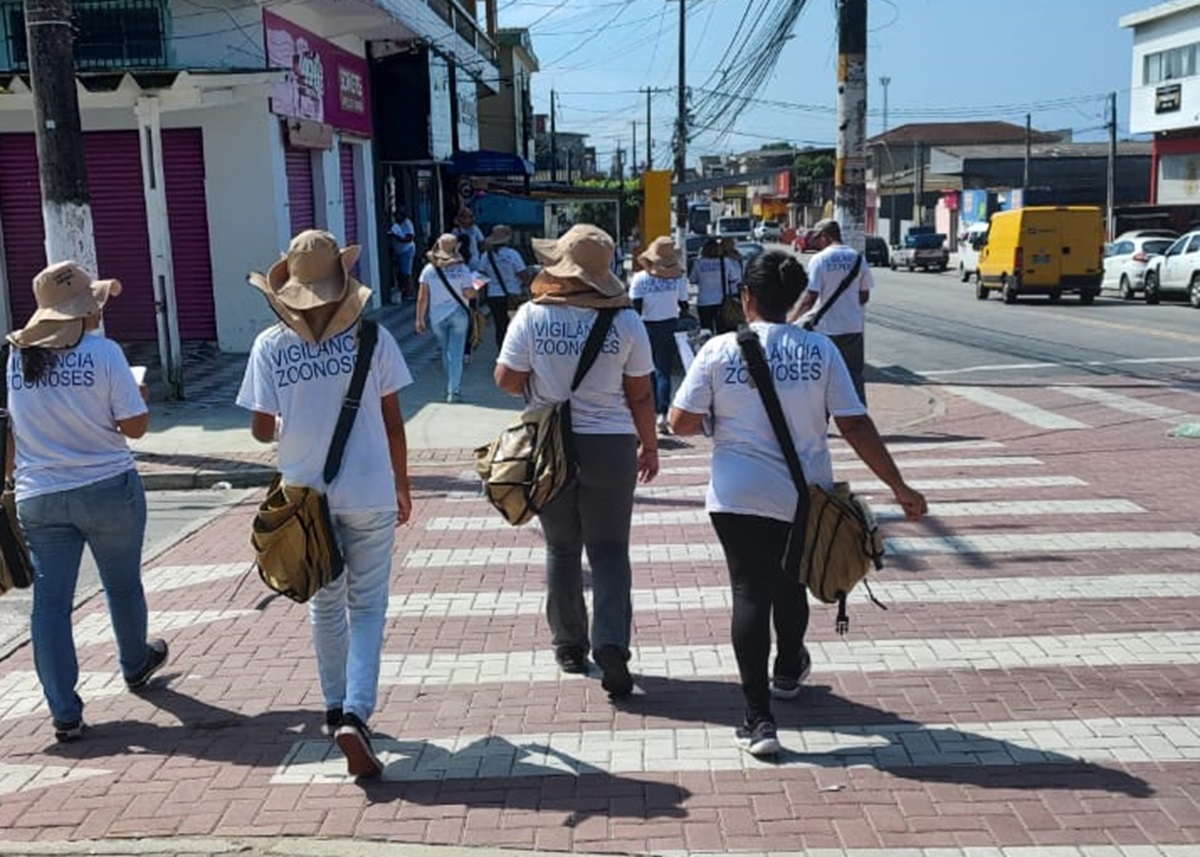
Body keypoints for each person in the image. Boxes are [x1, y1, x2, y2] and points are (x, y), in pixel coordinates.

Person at [668, 250, 926, 758]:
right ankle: (788, 668)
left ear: (746, 299)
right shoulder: (821, 350)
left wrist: (717, 419)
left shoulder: (718, 350)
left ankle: (759, 720)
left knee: (749, 592)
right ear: (794, 300)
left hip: (737, 492)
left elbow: (679, 422)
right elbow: (854, 424)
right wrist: (900, 487)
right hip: (804, 492)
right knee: (793, 579)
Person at [238, 230, 413, 779]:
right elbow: (392, 424)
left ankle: (336, 706)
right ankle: (357, 713)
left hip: (303, 498)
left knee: (325, 605)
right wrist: (403, 484)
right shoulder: (373, 337)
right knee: (367, 609)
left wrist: (297, 414)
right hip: (369, 491)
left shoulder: (270, 345)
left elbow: (261, 429)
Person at [493, 224, 658, 699]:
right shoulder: (627, 322)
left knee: (561, 547)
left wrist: (539, 383)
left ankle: (569, 644)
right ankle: (611, 641)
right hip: (610, 444)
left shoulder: (531, 315)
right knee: (609, 550)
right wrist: (648, 446)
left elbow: (505, 379)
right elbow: (642, 393)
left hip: (551, 447)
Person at [5, 261, 166, 743]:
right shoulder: (105, 354)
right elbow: (134, 428)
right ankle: (135, 663)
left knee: (50, 606)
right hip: (107, 488)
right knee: (122, 585)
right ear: (80, 312)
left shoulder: (15, 358)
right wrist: (138, 395)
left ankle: (64, 712)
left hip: (40, 496)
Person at [788, 217, 873, 405]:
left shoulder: (820, 260)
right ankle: (858, 414)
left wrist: (791, 321)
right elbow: (864, 295)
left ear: (825, 237)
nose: (817, 243)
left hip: (826, 329)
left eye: (818, 238)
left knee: (823, 376)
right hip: (853, 327)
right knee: (854, 375)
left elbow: (810, 299)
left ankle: (821, 419)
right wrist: (847, 306)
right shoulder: (858, 258)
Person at [629, 236, 690, 435]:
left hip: (646, 327)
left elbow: (635, 308)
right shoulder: (678, 278)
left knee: (648, 371)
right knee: (664, 370)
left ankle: (652, 411)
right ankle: (662, 413)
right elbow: (684, 305)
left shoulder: (640, 279)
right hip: (670, 325)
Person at [416, 233, 478, 403]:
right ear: (456, 248)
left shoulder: (428, 270)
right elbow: (468, 293)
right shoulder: (463, 269)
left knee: (446, 350)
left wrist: (419, 319)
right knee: (456, 352)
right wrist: (477, 289)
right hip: (459, 314)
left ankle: (451, 383)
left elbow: (422, 297)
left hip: (437, 316)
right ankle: (454, 391)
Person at [476, 224, 529, 349]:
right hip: (513, 295)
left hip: (493, 295)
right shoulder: (513, 255)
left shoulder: (486, 256)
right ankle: (514, 351)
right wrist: (526, 285)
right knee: (515, 324)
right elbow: (523, 274)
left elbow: (480, 277)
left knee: (500, 325)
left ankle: (502, 351)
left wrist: (476, 294)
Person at [690, 237, 741, 333]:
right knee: (723, 330)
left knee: (706, 330)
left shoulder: (698, 263)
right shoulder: (726, 261)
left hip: (704, 301)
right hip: (722, 301)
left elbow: (692, 280)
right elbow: (734, 278)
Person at [388, 207, 416, 301]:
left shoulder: (407, 223)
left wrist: (397, 237)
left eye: (398, 215)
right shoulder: (396, 224)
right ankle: (403, 290)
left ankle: (409, 292)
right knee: (400, 272)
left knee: (406, 272)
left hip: (406, 250)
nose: (396, 217)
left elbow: (409, 238)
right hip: (399, 251)